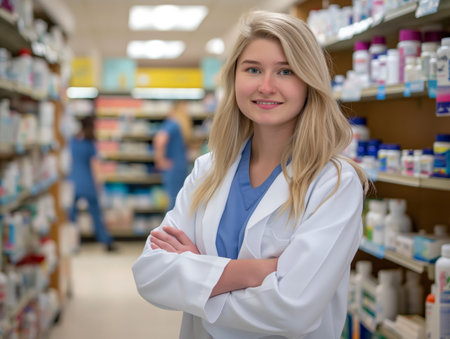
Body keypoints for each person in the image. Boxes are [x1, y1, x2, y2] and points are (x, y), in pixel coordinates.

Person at [132, 10, 369, 339]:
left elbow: (292, 310)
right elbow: (150, 272)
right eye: (253, 69)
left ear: (308, 81)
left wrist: (198, 278)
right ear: (234, 79)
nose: (267, 86)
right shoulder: (209, 170)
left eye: (285, 71)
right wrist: (253, 272)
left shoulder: (334, 183)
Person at [69, 116, 117, 252]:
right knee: (96, 214)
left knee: (72, 216)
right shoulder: (90, 144)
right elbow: (95, 165)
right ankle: (106, 241)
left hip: (73, 183)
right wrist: (99, 183)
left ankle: (73, 245)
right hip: (88, 183)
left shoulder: (71, 142)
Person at [153, 100, 192, 210]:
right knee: (174, 203)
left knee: (176, 202)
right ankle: (169, 227)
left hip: (177, 168)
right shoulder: (174, 123)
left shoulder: (176, 124)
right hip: (174, 168)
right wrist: (160, 160)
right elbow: (159, 140)